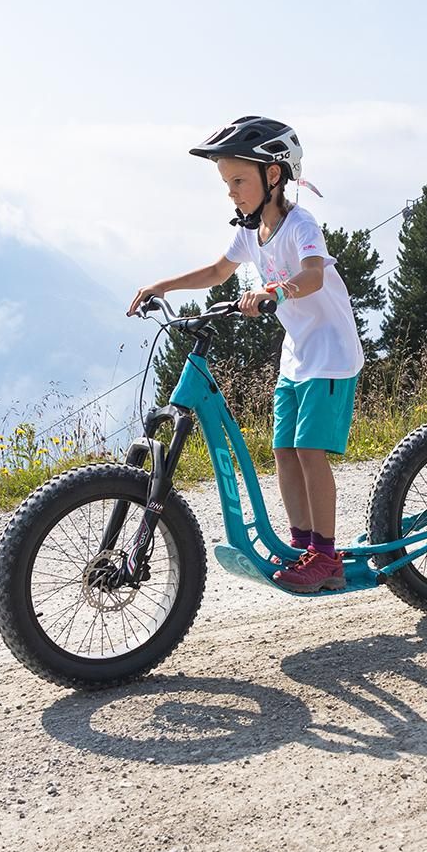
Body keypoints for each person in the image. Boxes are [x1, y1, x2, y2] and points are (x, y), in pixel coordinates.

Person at [127, 117, 365, 592]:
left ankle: (326, 557)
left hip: (331, 353)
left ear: (273, 175)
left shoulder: (300, 225)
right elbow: (218, 271)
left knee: (309, 451)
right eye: (226, 183)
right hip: (297, 356)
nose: (231, 193)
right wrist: (162, 285)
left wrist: (275, 290)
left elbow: (314, 274)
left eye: (238, 181)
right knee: (283, 452)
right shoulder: (249, 232)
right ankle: (301, 545)